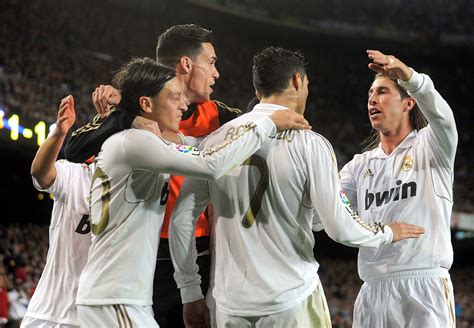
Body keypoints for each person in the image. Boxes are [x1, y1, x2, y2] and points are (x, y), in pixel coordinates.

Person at [169, 46, 425, 327]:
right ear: (296, 81)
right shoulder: (310, 144)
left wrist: (190, 290)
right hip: (292, 300)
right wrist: (388, 232)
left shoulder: (214, 142)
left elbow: (181, 221)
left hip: (228, 305)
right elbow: (340, 227)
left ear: (258, 92)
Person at [75, 56, 310, 327]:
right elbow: (210, 164)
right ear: (146, 104)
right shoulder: (134, 143)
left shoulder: (143, 142)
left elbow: (202, 146)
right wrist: (267, 123)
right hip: (113, 298)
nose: (184, 105)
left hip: (120, 297)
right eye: (175, 98)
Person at [64, 24, 240, 327]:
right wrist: (126, 115)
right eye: (211, 62)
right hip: (140, 257)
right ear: (186, 63)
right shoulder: (131, 112)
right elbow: (73, 150)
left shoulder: (217, 115)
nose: (216, 73)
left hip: (198, 250)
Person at [339, 50, 458, 327]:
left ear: (408, 103)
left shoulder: (432, 146)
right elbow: (333, 206)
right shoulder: (359, 166)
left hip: (425, 284)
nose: (372, 99)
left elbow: (443, 118)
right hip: (373, 289)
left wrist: (409, 76)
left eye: (382, 91)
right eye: (370, 93)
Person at [21, 96, 93, 328]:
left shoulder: (135, 184)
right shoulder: (75, 173)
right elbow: (40, 173)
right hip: (48, 313)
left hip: (94, 317)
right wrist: (60, 133)